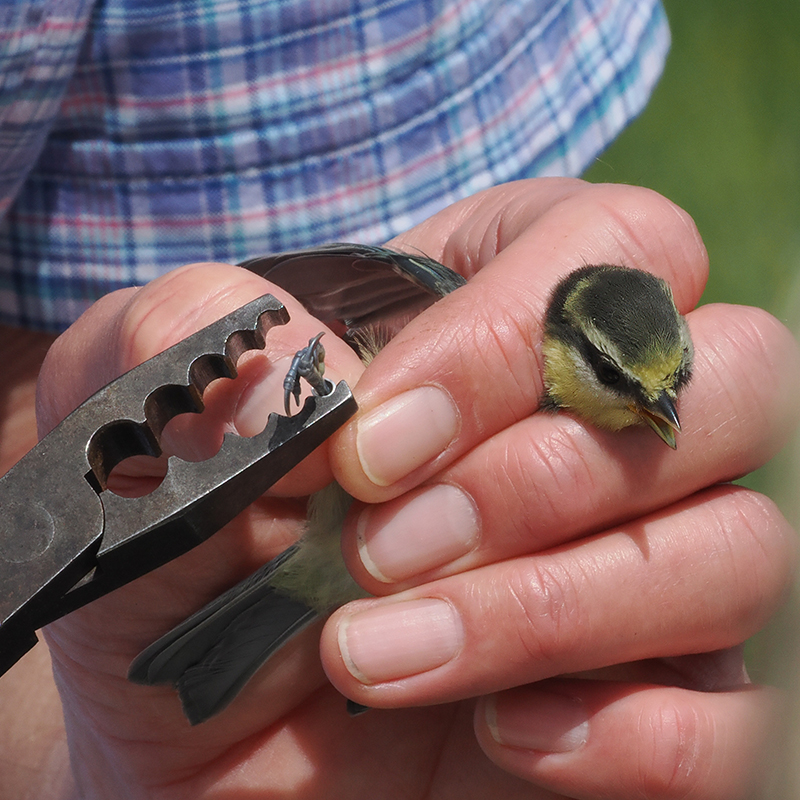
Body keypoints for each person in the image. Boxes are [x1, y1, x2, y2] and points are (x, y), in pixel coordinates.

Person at [0, 3, 798, 799]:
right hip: (294, 580)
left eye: (671, 387)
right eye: (618, 378)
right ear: (566, 344)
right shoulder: (469, 336)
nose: (658, 410)